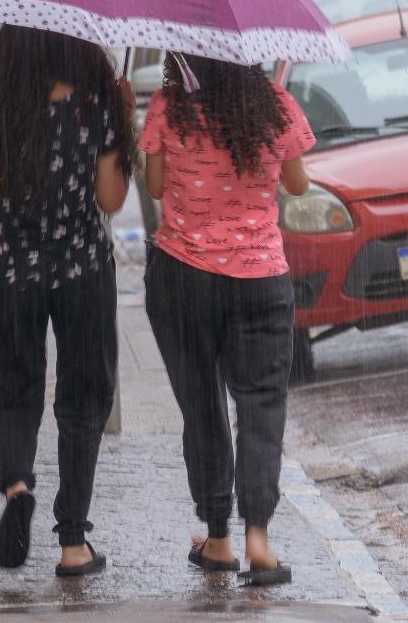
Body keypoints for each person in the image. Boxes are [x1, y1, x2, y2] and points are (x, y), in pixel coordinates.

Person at [0, 25, 136, 577]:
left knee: (13, 390)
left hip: (12, 272)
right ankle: (73, 543)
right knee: (84, 400)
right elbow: (111, 200)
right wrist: (125, 121)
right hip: (83, 272)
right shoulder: (97, 99)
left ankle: (18, 484)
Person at [139, 53, 313, 585]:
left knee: (202, 402)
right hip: (260, 277)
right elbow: (299, 184)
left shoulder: (169, 106)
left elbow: (152, 187)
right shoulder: (275, 106)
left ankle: (218, 537)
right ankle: (258, 538)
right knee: (261, 404)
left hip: (184, 277)